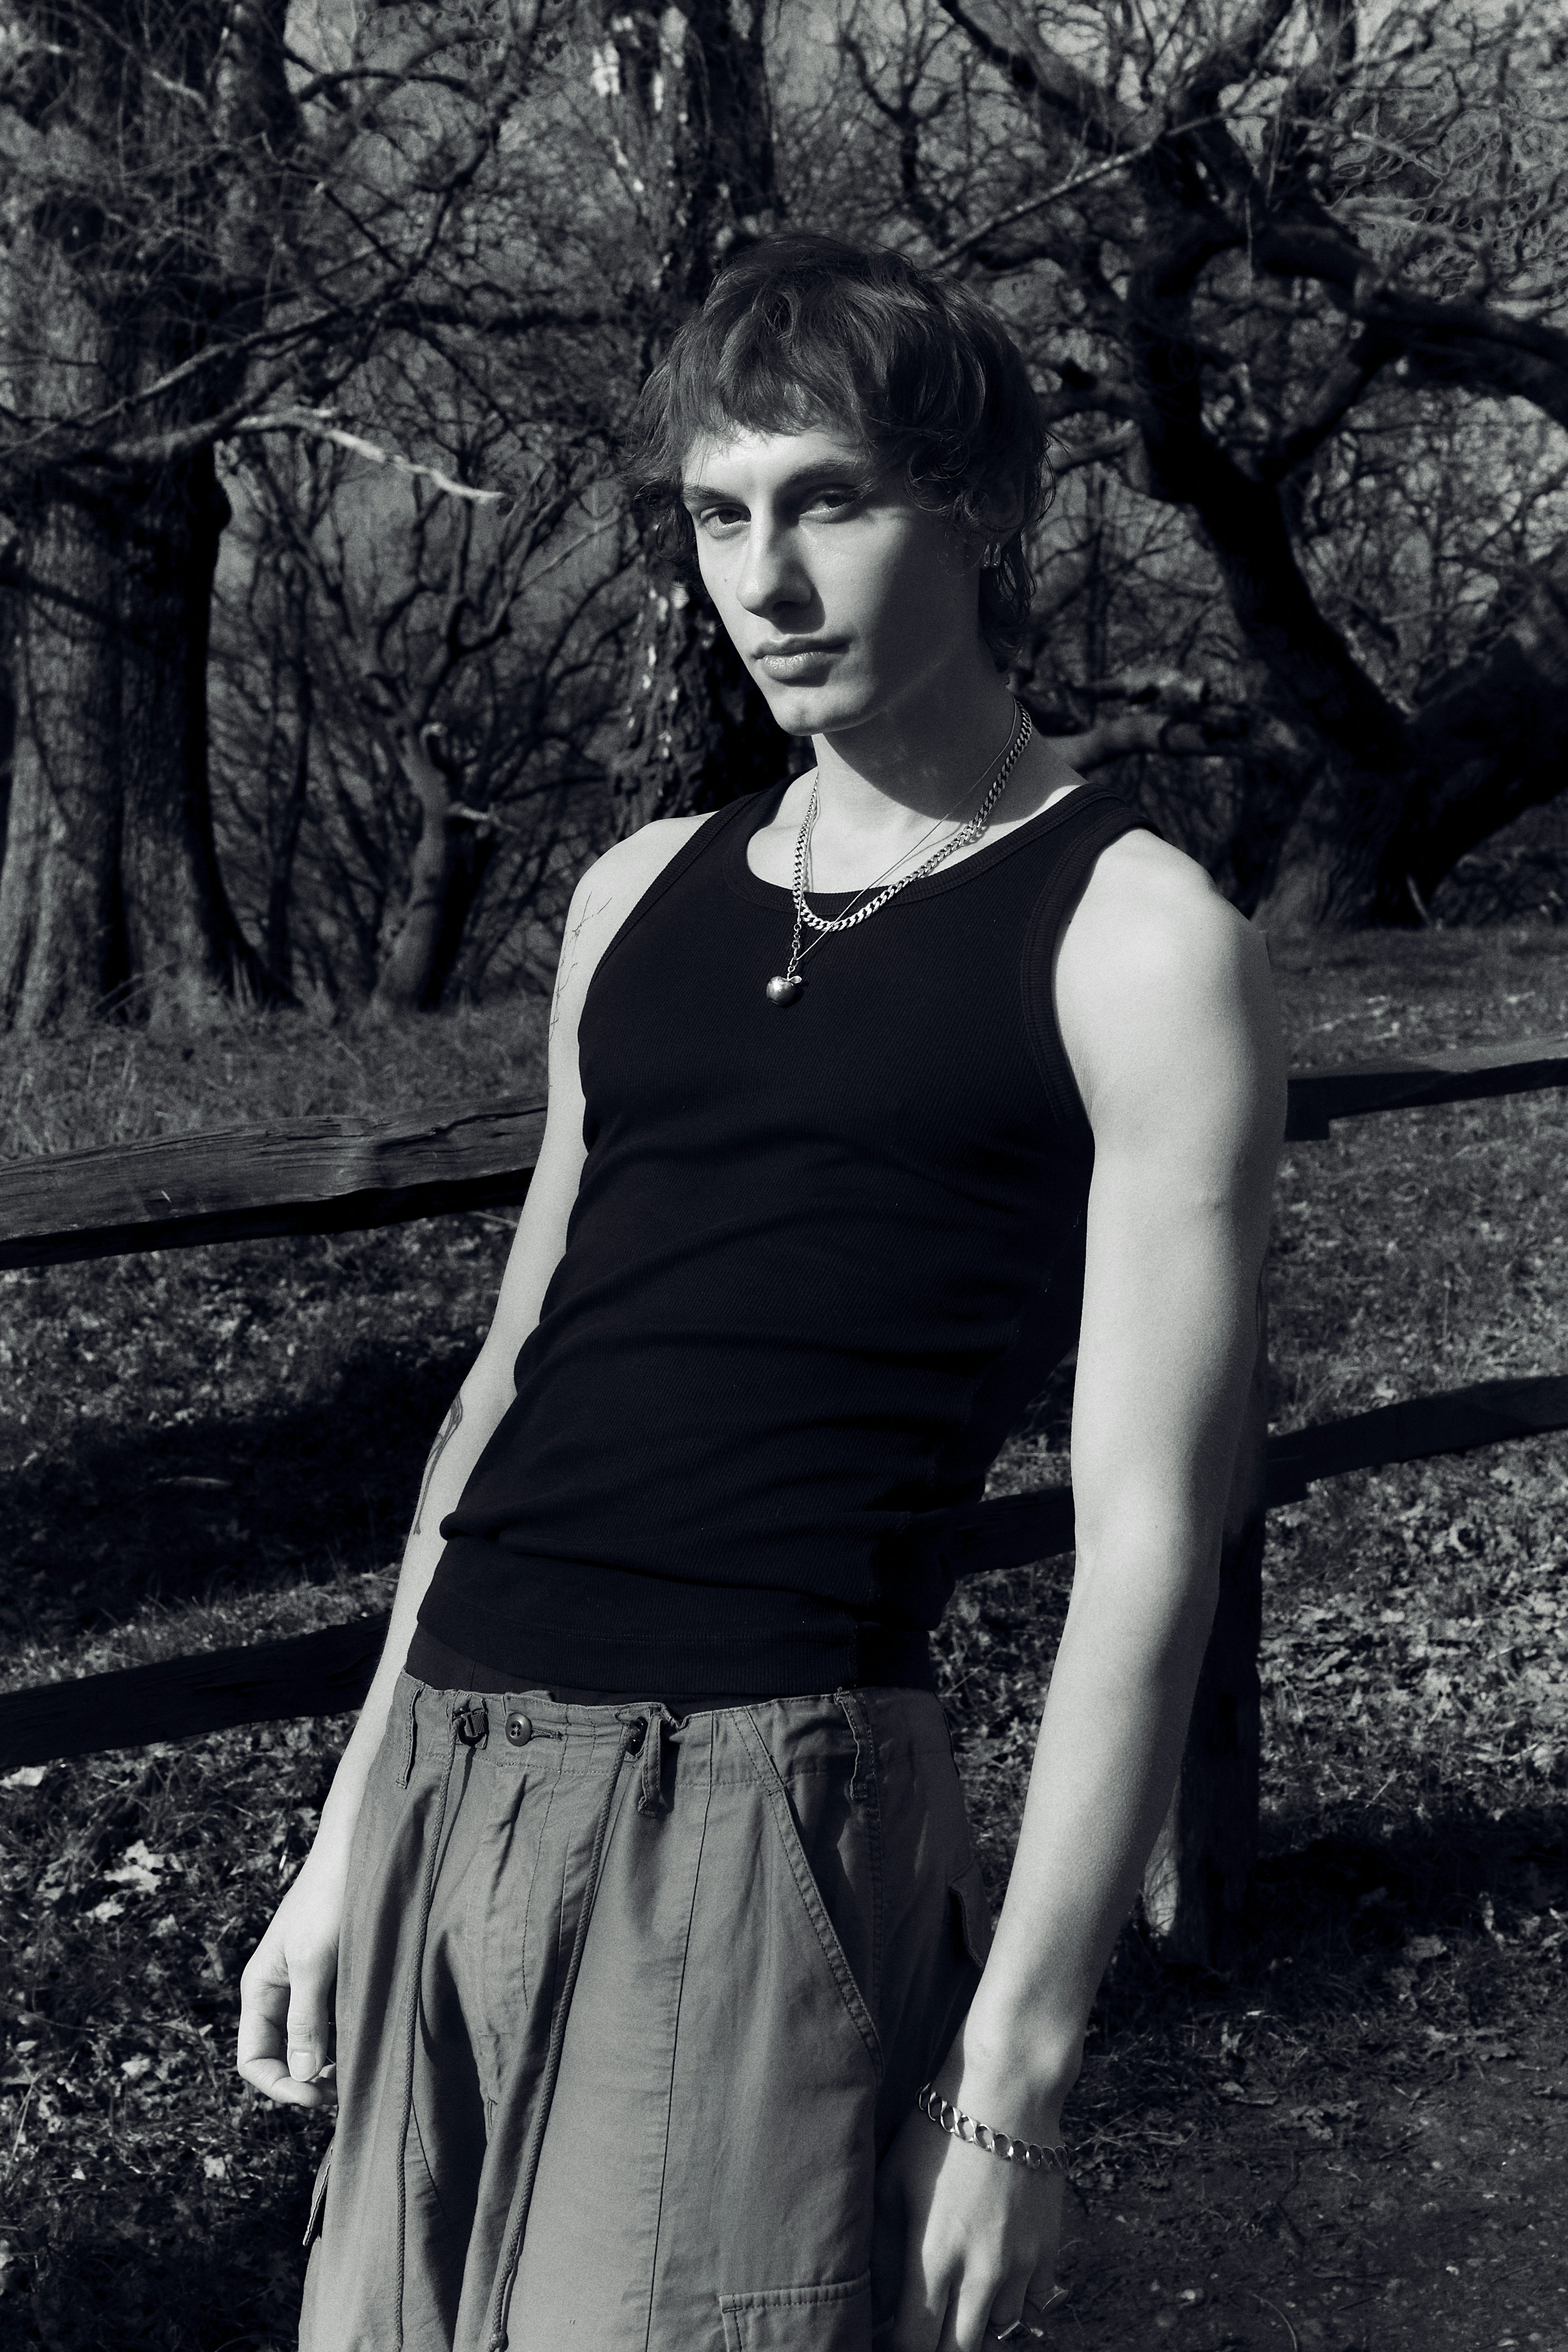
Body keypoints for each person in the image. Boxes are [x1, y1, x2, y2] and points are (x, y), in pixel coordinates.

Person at [238, 232, 1284, 2352]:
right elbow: (506, 1390)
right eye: (721, 517)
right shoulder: (636, 895)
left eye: (830, 503)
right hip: (454, 1764)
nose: (767, 579)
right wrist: (348, 1836)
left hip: (760, 1803)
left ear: (981, 509)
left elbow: (1152, 1544)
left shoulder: (1139, 940)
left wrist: (1009, 2085)